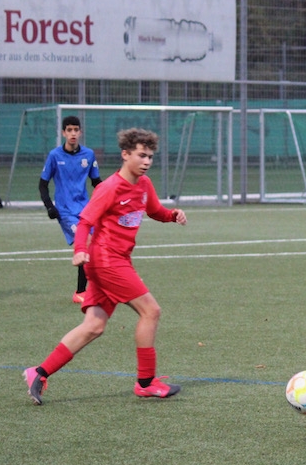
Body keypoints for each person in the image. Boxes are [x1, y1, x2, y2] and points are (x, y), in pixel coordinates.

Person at [23, 128, 187, 405]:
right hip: (106, 261)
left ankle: (39, 373)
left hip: (116, 260)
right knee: (151, 311)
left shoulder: (144, 185)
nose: (146, 161)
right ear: (125, 155)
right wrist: (79, 251)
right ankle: (146, 382)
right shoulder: (109, 188)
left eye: (150, 156)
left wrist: (172, 215)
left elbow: (155, 211)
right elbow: (85, 221)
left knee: (94, 326)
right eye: (141, 155)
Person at [39, 115, 102, 304]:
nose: (73, 134)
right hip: (65, 212)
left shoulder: (89, 155)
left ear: (80, 132)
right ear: (63, 133)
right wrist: (50, 207)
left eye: (76, 130)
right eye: (69, 130)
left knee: (96, 246)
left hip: (86, 210)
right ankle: (81, 291)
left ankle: (87, 290)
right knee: (86, 242)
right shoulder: (55, 156)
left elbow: (96, 182)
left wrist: (108, 198)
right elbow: (42, 184)